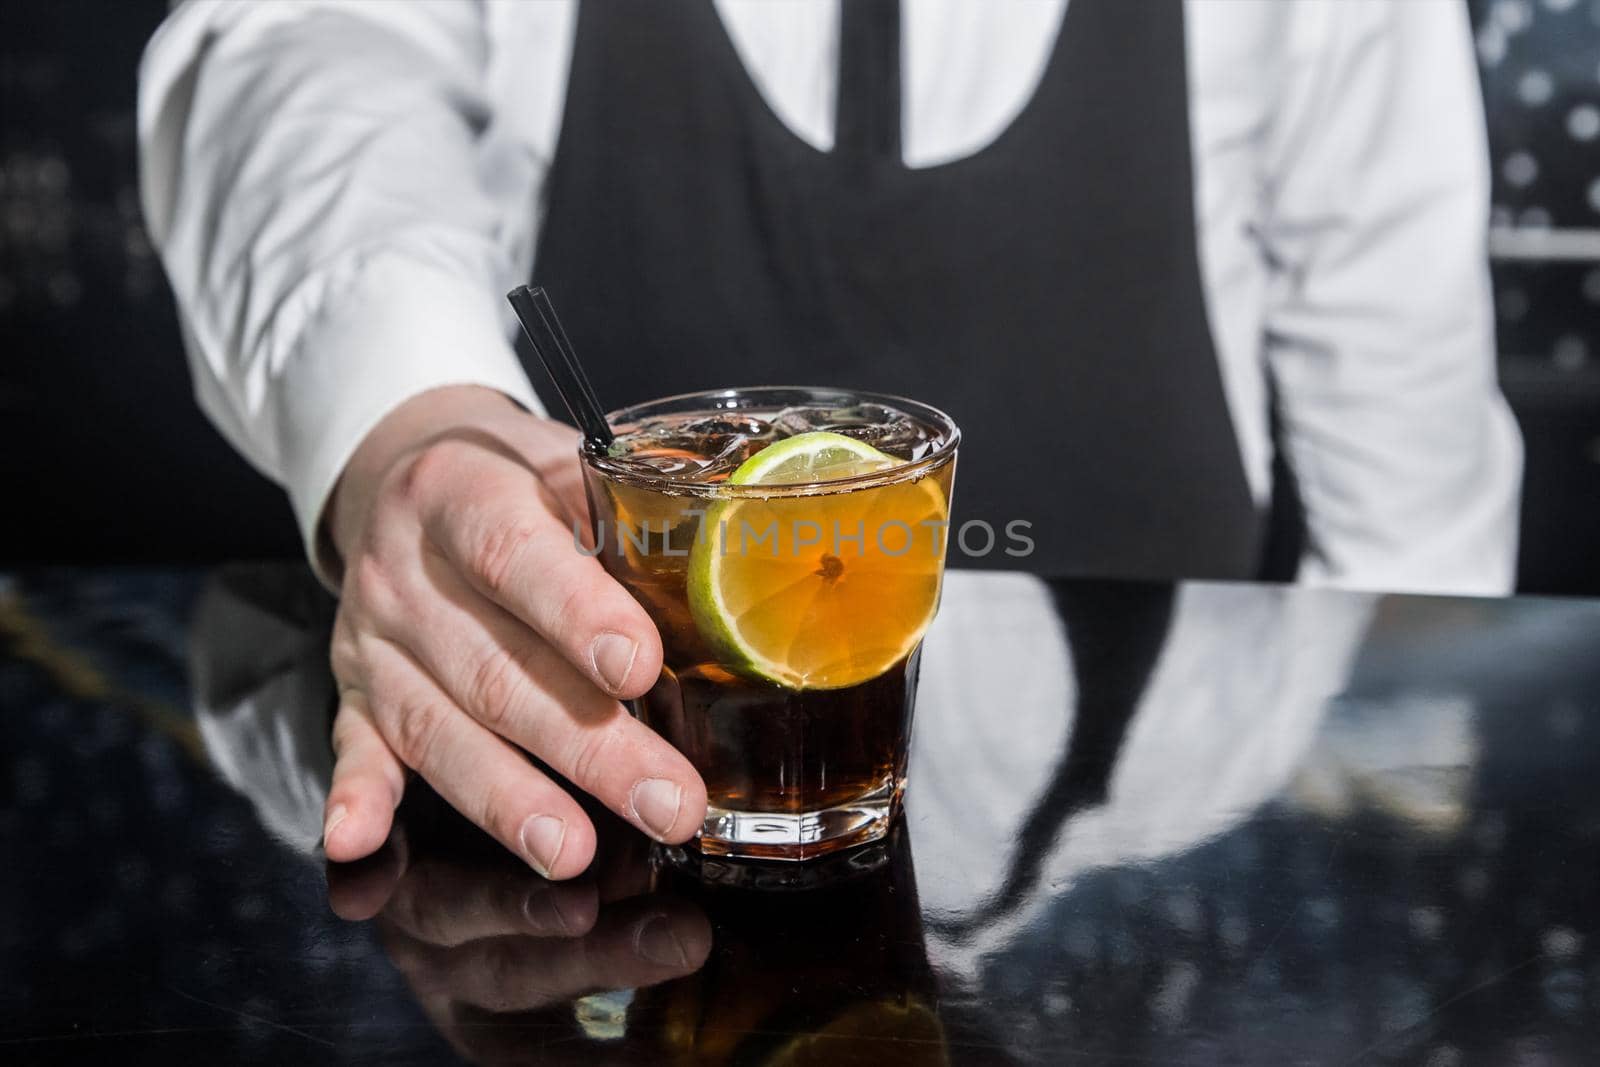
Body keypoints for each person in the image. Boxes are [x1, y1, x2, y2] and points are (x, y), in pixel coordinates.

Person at [139, 0, 1522, 878]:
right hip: (600, 869)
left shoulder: (1212, 778)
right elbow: (307, 47)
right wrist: (411, 418)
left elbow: (1418, 547)